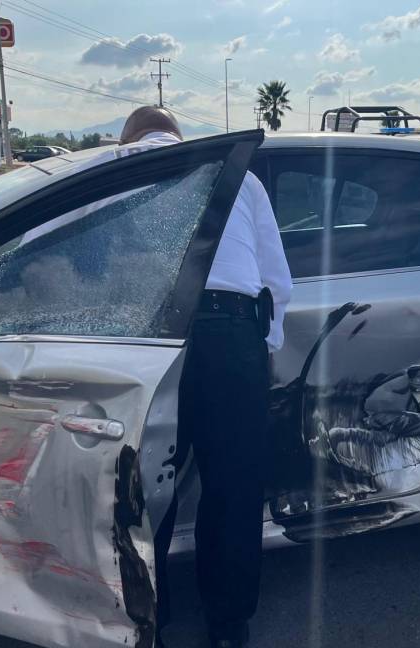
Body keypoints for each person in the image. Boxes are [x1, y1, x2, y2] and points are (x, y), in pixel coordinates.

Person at [117, 107, 291, 648]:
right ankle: (229, 625)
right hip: (230, 334)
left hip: (148, 338)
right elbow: (276, 279)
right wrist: (265, 345)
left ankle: (149, 622)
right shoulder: (240, 175)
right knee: (233, 488)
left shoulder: (114, 166)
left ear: (128, 138)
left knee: (143, 490)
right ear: (177, 135)